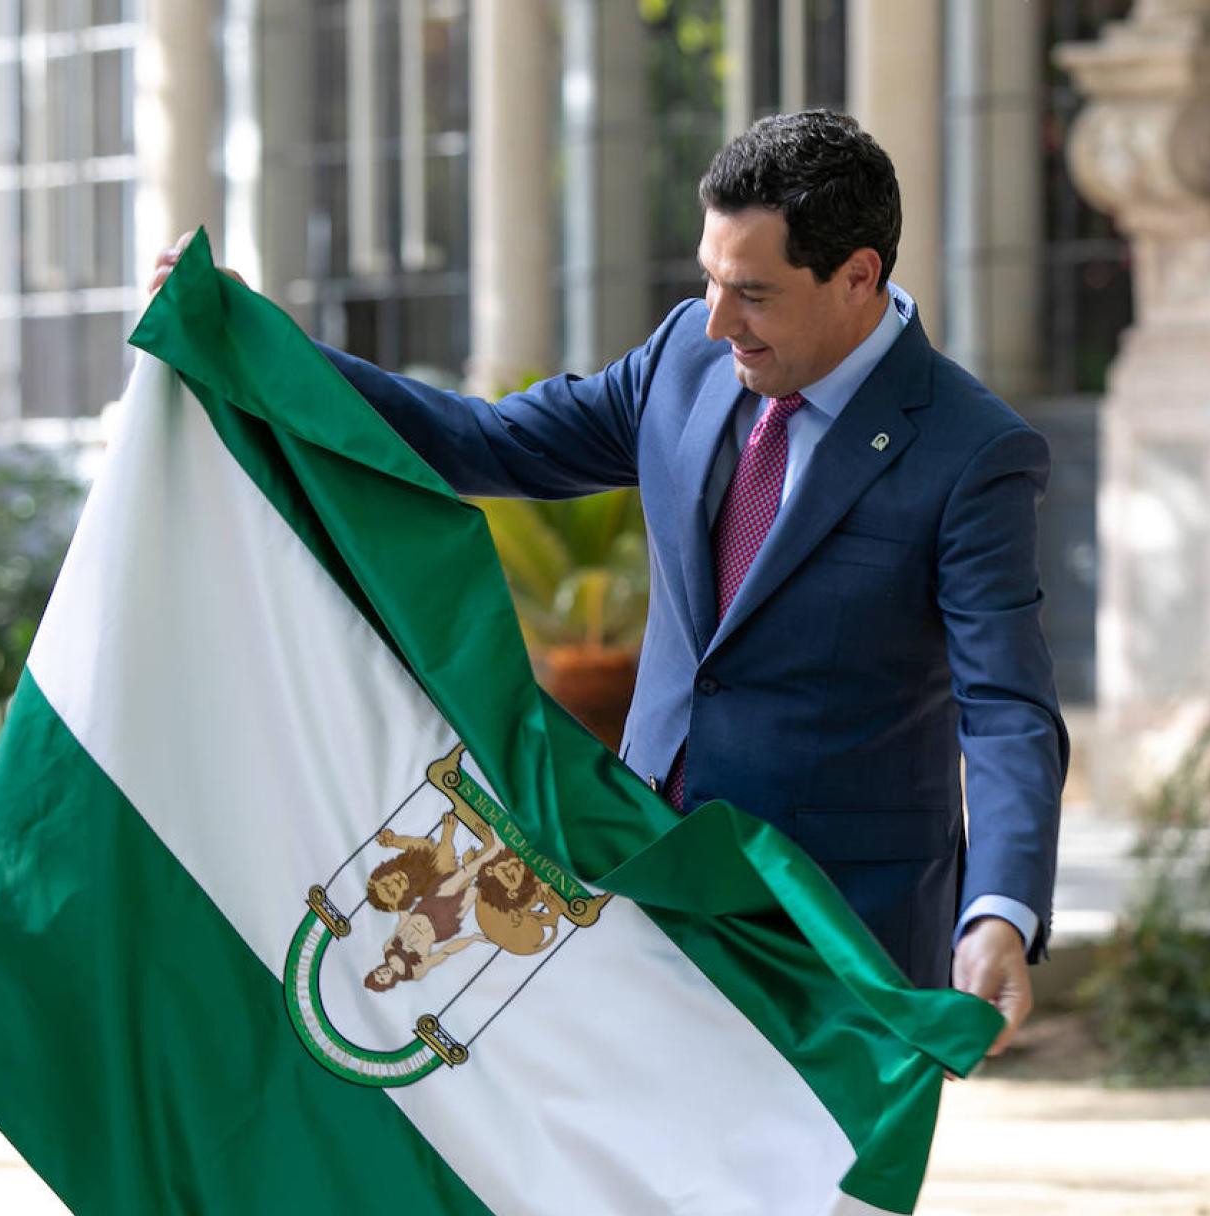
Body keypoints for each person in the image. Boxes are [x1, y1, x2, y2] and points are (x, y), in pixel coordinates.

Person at [154, 110, 1067, 1055]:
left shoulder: (973, 452)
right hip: (638, 889)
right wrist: (256, 349)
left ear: (858, 277)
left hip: (834, 932)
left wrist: (997, 907)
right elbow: (485, 440)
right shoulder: (687, 354)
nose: (720, 321)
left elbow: (1005, 708)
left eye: (752, 293)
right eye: (709, 281)